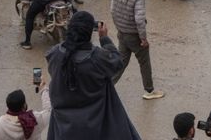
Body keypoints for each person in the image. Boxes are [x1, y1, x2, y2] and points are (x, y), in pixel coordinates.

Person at [46, 11, 141, 140]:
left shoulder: (55, 54)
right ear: (89, 33)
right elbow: (117, 62)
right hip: (96, 125)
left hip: (63, 127)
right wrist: (105, 39)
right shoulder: (97, 57)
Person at [110, 0, 165, 100]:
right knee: (144, 62)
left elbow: (112, 11)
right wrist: (143, 39)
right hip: (134, 35)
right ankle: (149, 91)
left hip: (122, 33)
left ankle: (107, 86)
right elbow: (139, 20)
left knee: (121, 62)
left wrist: (119, 27)